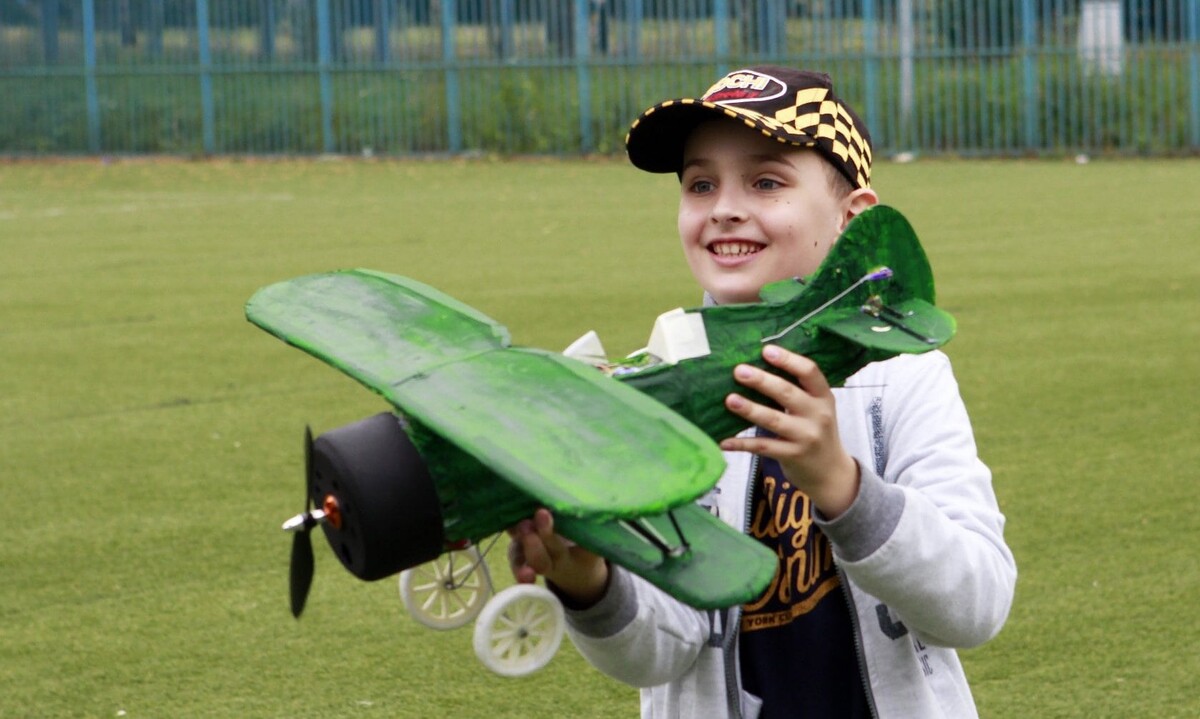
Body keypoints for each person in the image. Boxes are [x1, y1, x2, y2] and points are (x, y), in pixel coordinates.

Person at [508, 66, 1016, 718]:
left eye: (766, 182)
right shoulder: (649, 388)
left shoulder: (904, 377)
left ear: (852, 217)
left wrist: (842, 486)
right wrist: (589, 580)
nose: (723, 208)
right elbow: (661, 652)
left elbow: (976, 604)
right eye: (700, 184)